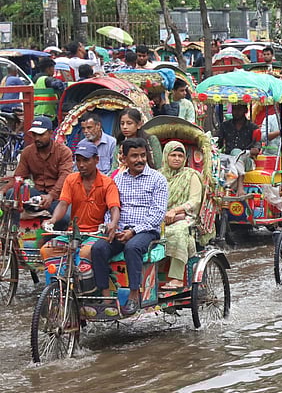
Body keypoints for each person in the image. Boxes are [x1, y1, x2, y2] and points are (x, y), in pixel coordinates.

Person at [89, 138, 168, 316]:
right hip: (120, 229)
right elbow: (111, 207)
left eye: (142, 155)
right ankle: (106, 297)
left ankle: (134, 295)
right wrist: (112, 227)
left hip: (146, 230)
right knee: (98, 248)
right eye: (134, 156)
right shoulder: (117, 179)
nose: (139, 160)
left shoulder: (158, 180)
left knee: (132, 247)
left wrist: (133, 231)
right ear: (124, 158)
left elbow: (157, 215)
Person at [39, 139, 120, 305]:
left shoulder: (107, 183)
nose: (81, 164)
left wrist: (113, 223)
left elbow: (114, 208)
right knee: (46, 250)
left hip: (95, 234)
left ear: (96, 160)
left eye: (86, 160)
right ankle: (58, 289)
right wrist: (52, 220)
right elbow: (63, 204)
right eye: (79, 160)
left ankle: (90, 295)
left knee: (84, 254)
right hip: (74, 232)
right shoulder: (71, 179)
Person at [159, 140, 206, 289]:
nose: (177, 158)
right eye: (173, 155)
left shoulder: (191, 175)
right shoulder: (158, 175)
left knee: (178, 232)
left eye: (180, 155)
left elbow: (194, 201)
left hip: (186, 217)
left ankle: (176, 278)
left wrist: (175, 211)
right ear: (166, 156)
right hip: (160, 217)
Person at [6, 115, 72, 220]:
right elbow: (18, 177)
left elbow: (64, 177)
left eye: (41, 135)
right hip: (37, 193)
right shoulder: (28, 152)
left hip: (58, 196)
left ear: (50, 133)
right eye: (35, 135)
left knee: (65, 218)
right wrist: (3, 191)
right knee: (11, 195)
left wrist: (51, 196)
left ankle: (49, 236)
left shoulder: (63, 152)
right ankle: (15, 231)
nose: (37, 138)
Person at [32, 57, 65, 122]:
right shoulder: (45, 79)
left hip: (36, 113)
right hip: (47, 115)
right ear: (48, 68)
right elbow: (58, 84)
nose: (54, 70)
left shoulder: (35, 80)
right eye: (53, 68)